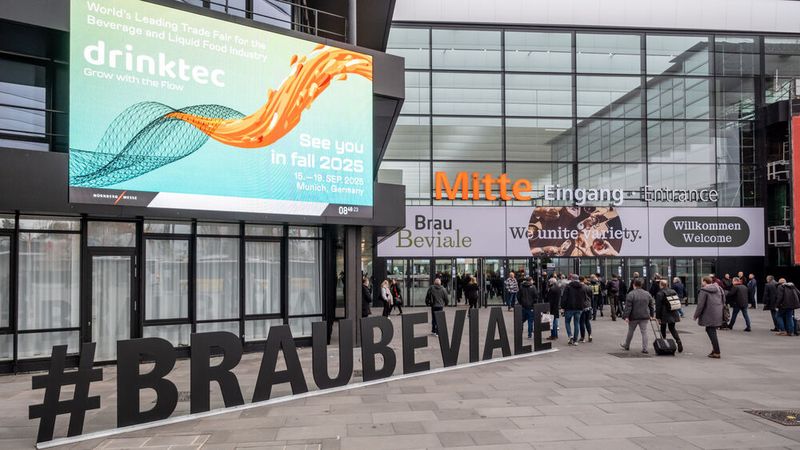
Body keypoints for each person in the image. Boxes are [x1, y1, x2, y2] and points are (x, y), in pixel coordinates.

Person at [620, 278, 655, 353]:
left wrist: (626, 316)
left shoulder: (631, 294)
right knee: (644, 332)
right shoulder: (647, 293)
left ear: (634, 285)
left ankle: (627, 345)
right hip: (645, 316)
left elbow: (628, 307)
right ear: (641, 285)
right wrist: (652, 315)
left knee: (631, 331)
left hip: (633, 316)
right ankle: (645, 348)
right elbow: (651, 305)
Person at [694, 276, 724, 358]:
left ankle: (717, 351)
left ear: (705, 282)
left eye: (702, 281)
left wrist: (696, 315)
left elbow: (700, 305)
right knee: (711, 330)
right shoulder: (719, 288)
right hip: (717, 312)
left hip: (708, 314)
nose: (701, 283)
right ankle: (715, 350)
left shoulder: (704, 290)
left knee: (711, 331)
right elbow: (723, 300)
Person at [654, 279, 683, 353]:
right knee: (672, 328)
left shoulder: (660, 293)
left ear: (661, 285)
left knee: (663, 328)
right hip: (673, 312)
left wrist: (658, 317)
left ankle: (663, 344)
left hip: (664, 313)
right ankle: (678, 341)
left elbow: (658, 306)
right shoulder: (673, 291)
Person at [560, 274, 585, 346]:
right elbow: (583, 298)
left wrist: (562, 307)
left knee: (567, 322)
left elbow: (564, 298)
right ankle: (575, 340)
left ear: (572, 279)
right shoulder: (582, 287)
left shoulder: (568, 286)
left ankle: (570, 336)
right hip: (579, 308)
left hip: (569, 308)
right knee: (576, 323)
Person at [579, 276, 593, 343]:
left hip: (582, 306)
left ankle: (582, 337)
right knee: (587, 321)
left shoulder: (579, 288)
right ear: (584, 280)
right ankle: (590, 335)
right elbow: (591, 296)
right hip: (588, 305)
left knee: (582, 322)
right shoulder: (588, 287)